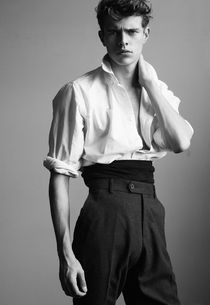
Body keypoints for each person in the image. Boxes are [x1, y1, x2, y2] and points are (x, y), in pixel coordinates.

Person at [43, 0, 194, 304]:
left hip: (150, 209)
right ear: (102, 36)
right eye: (113, 32)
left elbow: (181, 142)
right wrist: (66, 254)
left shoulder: (158, 90)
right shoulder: (79, 91)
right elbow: (60, 174)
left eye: (131, 31)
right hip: (105, 209)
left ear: (145, 33)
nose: (123, 41)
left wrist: (150, 83)